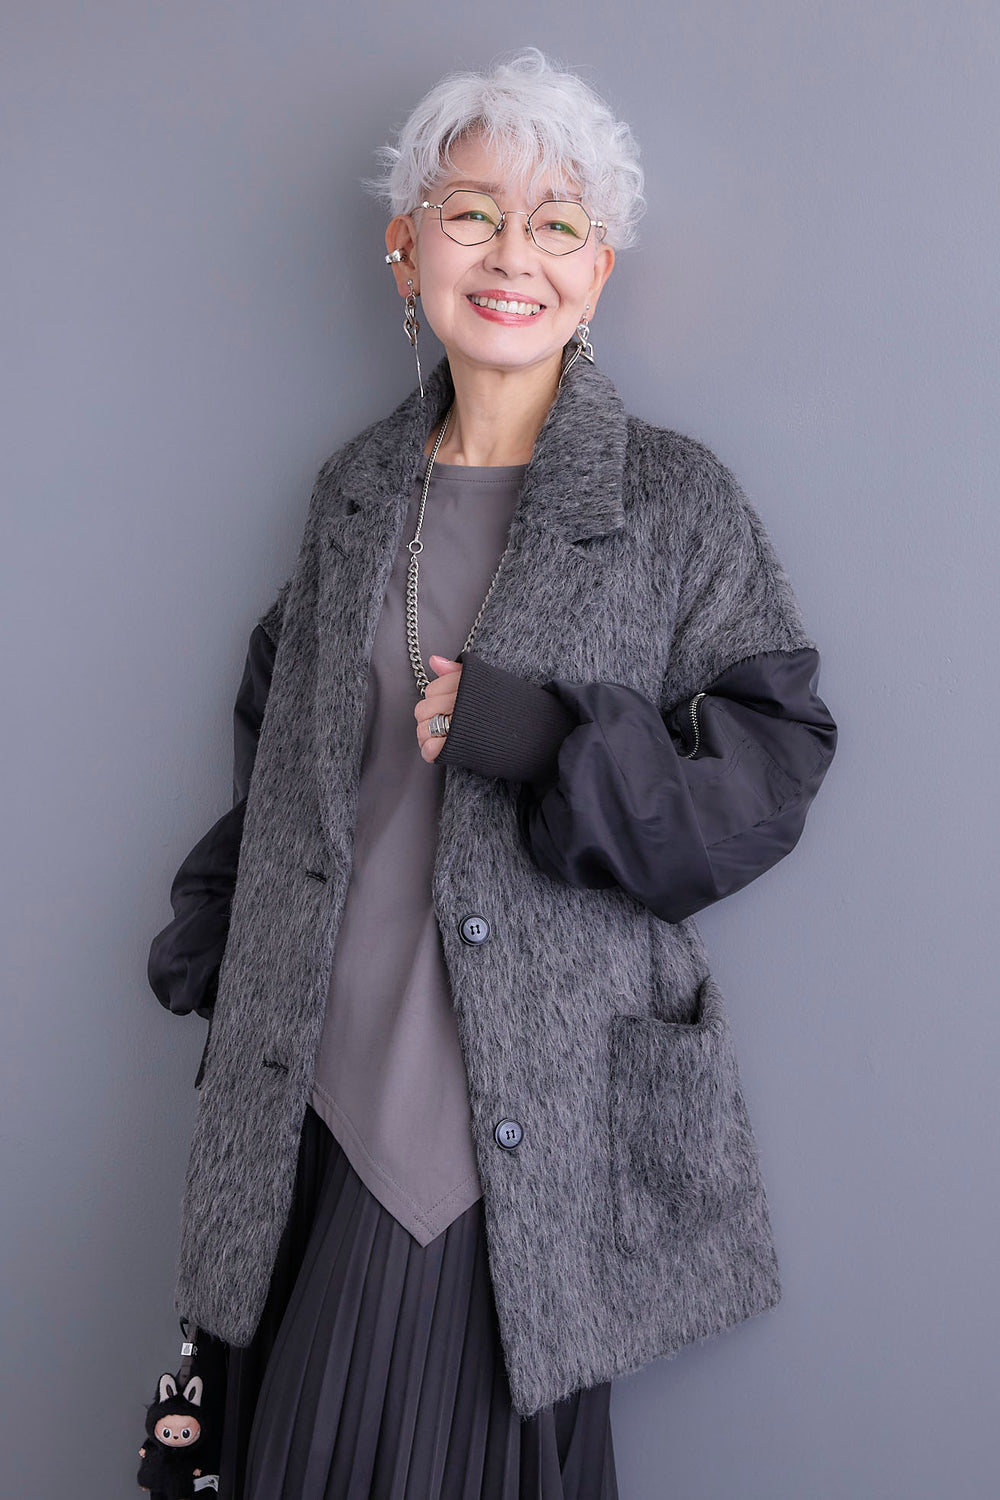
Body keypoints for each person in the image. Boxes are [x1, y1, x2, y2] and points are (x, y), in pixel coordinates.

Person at [147, 47, 837, 1500]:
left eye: (558, 224)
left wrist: (555, 743)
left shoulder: (674, 503)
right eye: (472, 214)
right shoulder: (354, 492)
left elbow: (773, 766)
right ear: (407, 250)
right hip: (310, 1096)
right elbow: (285, 740)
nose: (513, 254)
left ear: (598, 275)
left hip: (516, 1115)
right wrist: (224, 936)